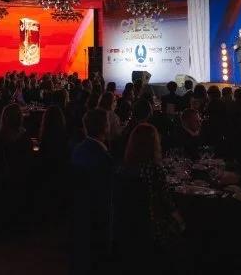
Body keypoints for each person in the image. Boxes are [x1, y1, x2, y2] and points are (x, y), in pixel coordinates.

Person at [114, 124, 184, 273]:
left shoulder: (122, 168)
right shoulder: (154, 169)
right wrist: (179, 219)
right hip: (152, 225)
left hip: (126, 223)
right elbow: (166, 200)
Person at [71, 109, 113, 275]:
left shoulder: (77, 149)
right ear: (105, 127)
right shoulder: (103, 158)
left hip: (80, 214)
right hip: (97, 218)